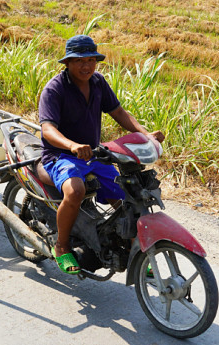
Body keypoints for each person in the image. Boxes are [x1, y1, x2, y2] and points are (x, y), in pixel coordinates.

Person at [38, 35, 165, 275]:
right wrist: (72, 145)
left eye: (90, 60)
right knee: (75, 191)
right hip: (60, 156)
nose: (86, 66)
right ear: (67, 62)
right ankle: (62, 246)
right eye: (79, 61)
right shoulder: (55, 89)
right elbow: (47, 129)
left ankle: (133, 249)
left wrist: (145, 133)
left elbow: (117, 111)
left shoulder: (97, 82)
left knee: (125, 195)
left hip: (92, 154)